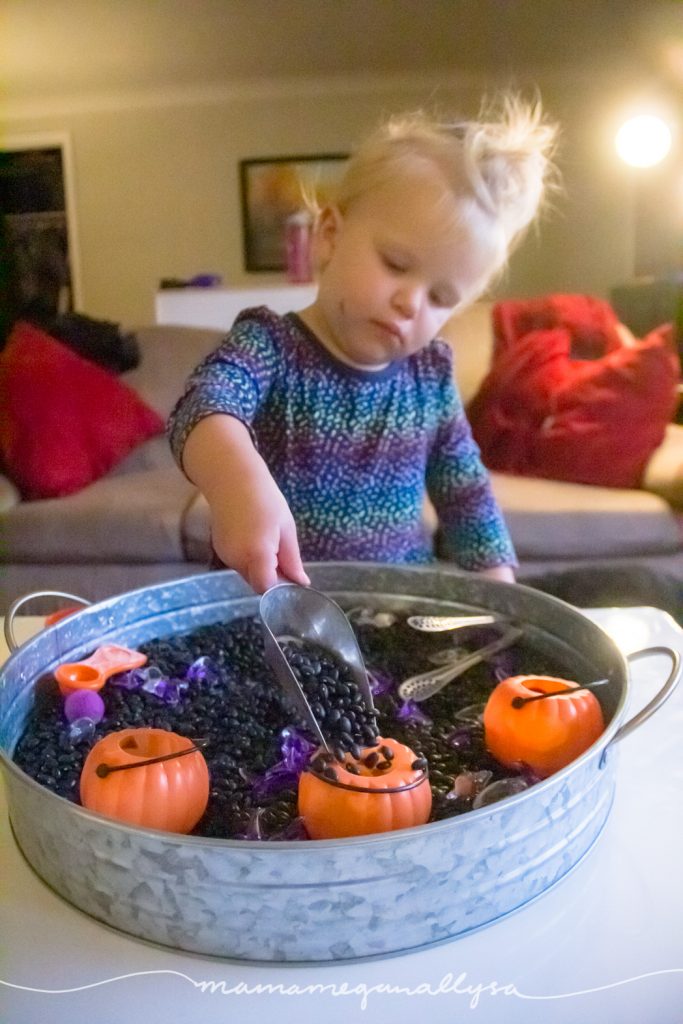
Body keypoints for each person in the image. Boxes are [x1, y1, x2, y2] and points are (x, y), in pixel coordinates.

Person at [168, 97, 558, 593]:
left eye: (441, 298)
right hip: (266, 610)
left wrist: (502, 593)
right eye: (396, 263)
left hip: (394, 609)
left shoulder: (430, 378)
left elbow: (466, 497)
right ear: (329, 236)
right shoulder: (271, 345)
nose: (410, 302)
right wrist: (236, 484)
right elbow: (203, 404)